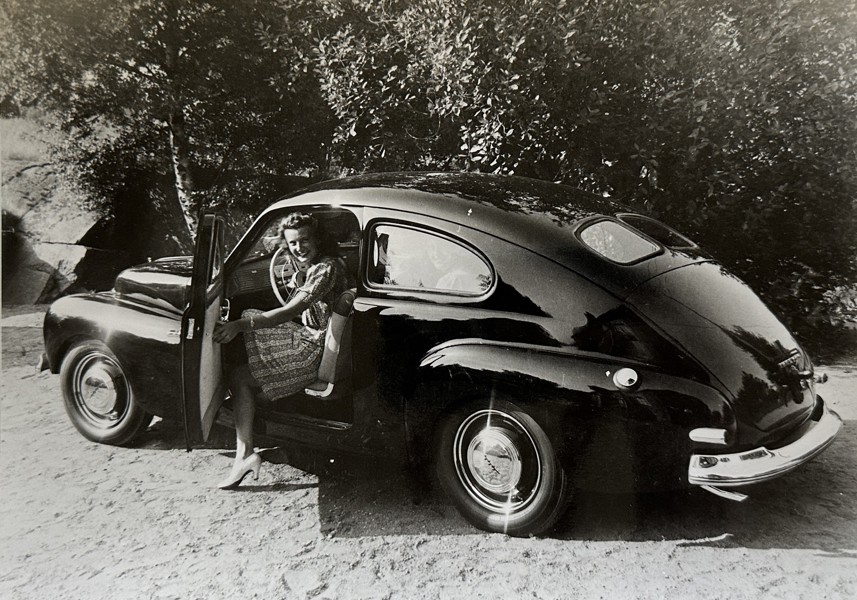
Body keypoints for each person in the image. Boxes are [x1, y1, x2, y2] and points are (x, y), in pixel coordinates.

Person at [212, 212, 351, 489]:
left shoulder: (327, 269)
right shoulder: (317, 267)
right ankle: (255, 430)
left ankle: (245, 451)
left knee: (241, 375)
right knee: (250, 326)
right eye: (293, 244)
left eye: (305, 240)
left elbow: (290, 310)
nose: (299, 248)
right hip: (310, 337)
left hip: (313, 350)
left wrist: (239, 325)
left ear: (317, 239)